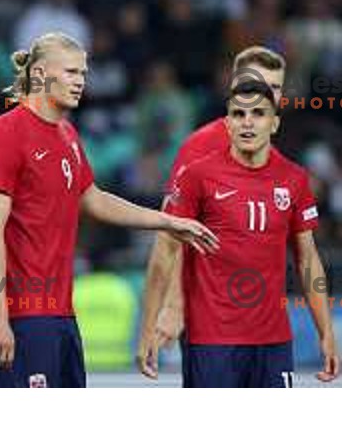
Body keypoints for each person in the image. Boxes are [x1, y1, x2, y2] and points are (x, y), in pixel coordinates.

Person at [0, 32, 218, 388]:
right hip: (20, 315)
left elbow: (94, 199)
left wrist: (168, 221)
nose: (80, 82)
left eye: (83, 74)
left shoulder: (67, 135)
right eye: (71, 72)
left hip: (60, 313)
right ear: (40, 74)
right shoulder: (5, 134)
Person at [138, 81, 339, 387]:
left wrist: (326, 333)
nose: (247, 122)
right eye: (238, 114)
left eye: (258, 113)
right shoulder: (197, 176)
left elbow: (308, 260)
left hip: (274, 342)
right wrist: (161, 316)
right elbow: (170, 248)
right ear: (227, 123)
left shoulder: (294, 179)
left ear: (274, 123)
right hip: (212, 341)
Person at [136, 46, 287, 385]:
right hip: (212, 325)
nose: (266, 94)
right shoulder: (201, 146)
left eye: (275, 88)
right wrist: (173, 307)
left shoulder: (274, 154)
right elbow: (171, 233)